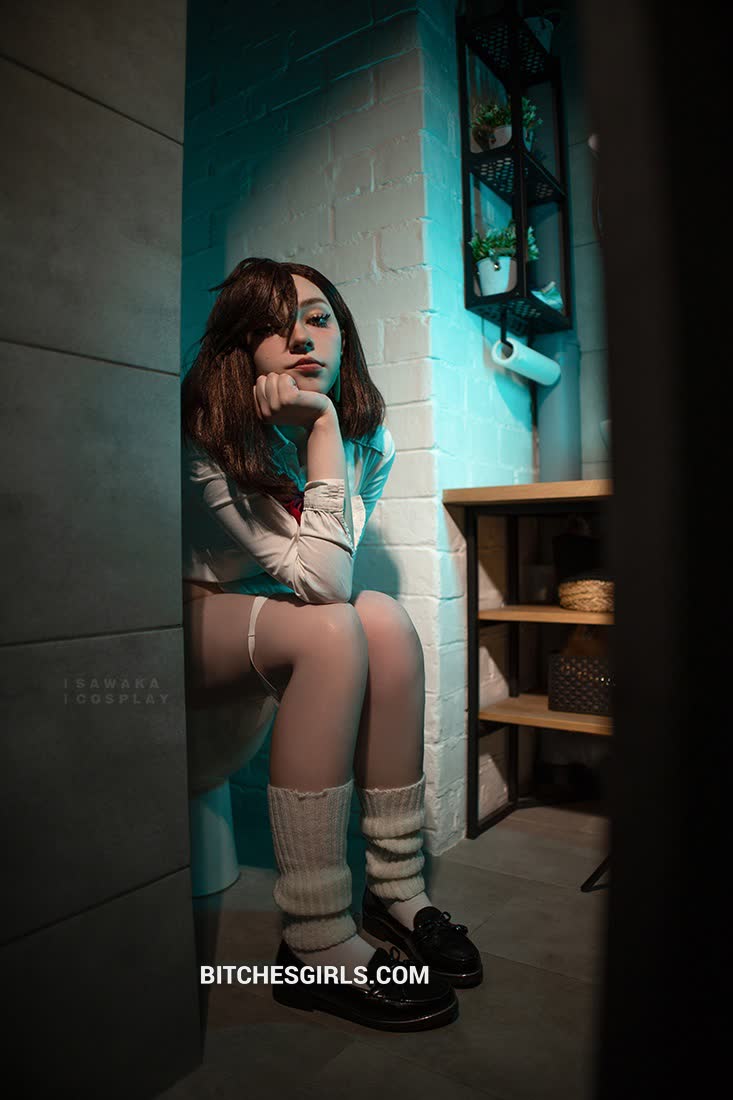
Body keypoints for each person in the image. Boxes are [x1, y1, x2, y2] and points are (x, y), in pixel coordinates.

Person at [180, 257, 482, 1031]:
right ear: (242, 349)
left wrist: (326, 430)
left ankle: (395, 890)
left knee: (384, 619)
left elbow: (326, 576)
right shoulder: (208, 431)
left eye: (318, 319)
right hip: (184, 618)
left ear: (343, 336)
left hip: (273, 605)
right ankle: (313, 941)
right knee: (335, 623)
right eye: (273, 325)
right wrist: (317, 428)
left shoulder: (368, 439)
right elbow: (319, 585)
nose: (301, 337)